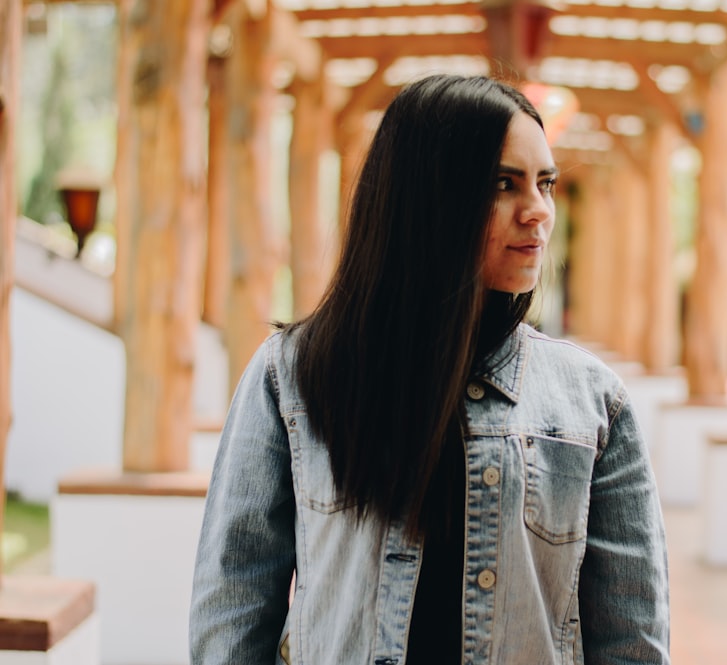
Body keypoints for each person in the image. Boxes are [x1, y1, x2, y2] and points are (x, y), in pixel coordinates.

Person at [189, 73, 669, 664]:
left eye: (545, 183)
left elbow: (632, 644)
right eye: (504, 183)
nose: (538, 211)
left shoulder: (594, 402)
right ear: (428, 196)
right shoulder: (291, 378)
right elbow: (232, 611)